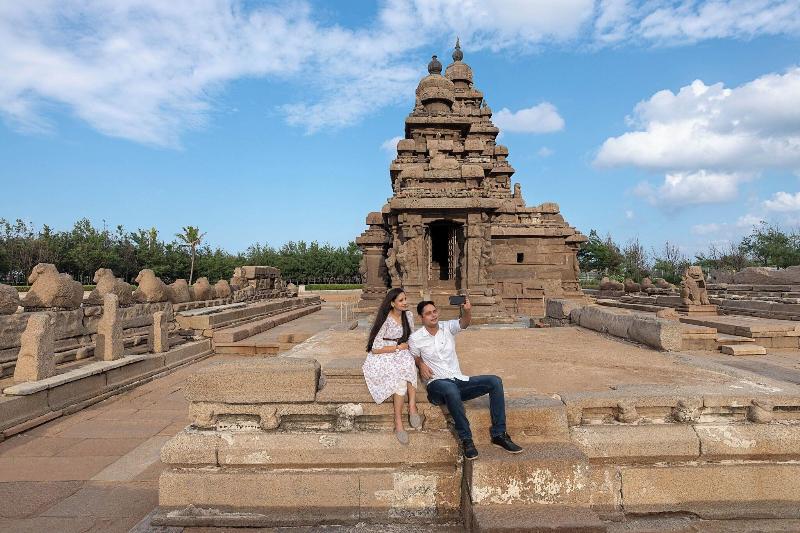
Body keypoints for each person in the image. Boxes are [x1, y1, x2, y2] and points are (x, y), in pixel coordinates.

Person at [408, 298, 523, 460]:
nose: (433, 315)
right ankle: (466, 439)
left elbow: (464, 322)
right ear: (422, 318)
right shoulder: (416, 338)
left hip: (458, 379)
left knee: (494, 381)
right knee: (450, 389)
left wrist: (467, 310)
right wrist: (420, 363)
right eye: (428, 313)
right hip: (437, 385)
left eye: (434, 311)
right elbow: (412, 356)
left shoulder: (447, 327)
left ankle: (499, 434)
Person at [362, 288, 422, 444]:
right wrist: (396, 348)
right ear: (392, 303)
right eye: (401, 300)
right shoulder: (386, 319)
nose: (405, 303)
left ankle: (412, 407)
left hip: (402, 350)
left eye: (405, 299)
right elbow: (375, 348)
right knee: (400, 380)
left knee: (409, 364)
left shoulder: (408, 315)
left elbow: (412, 337)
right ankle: (398, 421)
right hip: (385, 353)